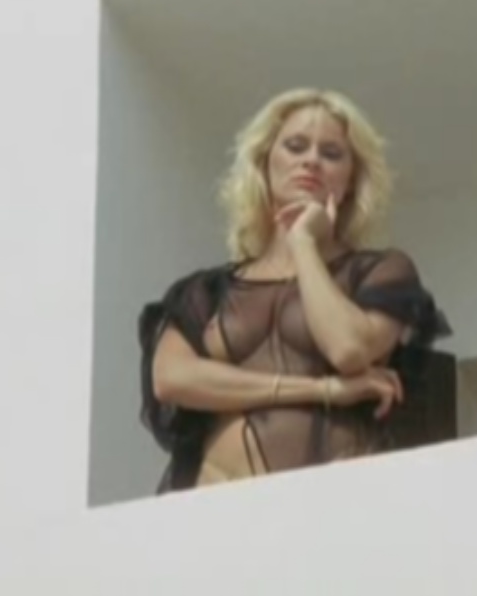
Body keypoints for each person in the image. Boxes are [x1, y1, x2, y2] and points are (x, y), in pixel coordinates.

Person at [138, 87, 451, 494]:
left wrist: (304, 243)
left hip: (337, 498)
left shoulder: (377, 271)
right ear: (265, 162)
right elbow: (171, 379)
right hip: (217, 503)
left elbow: (349, 349)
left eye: (332, 153)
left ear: (351, 180)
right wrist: (322, 390)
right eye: (295, 146)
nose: (311, 161)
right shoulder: (205, 292)